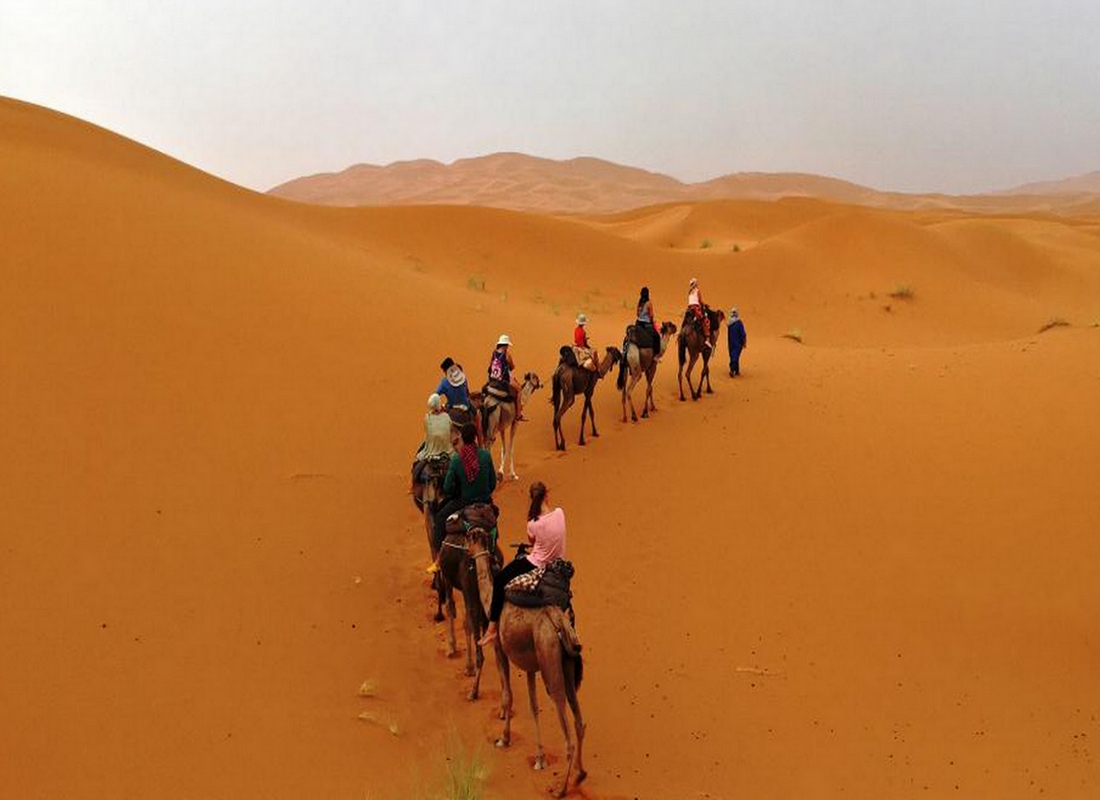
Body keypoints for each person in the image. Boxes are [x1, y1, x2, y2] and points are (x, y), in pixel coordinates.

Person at [478, 481, 565, 646]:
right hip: (557, 564)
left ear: (532, 498)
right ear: (547, 495)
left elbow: (532, 540)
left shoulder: (533, 524)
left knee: (499, 580)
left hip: (537, 563)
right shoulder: (560, 513)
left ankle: (491, 630)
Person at [428, 423, 497, 572]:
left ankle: (439, 560)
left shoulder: (457, 460)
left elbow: (447, 487)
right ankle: (494, 555)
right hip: (485, 502)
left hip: (464, 503)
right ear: (474, 438)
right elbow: (493, 483)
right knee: (494, 523)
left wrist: (456, 491)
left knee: (440, 519)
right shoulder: (486, 455)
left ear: (462, 439)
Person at [411, 393, 455, 492]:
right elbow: (450, 430)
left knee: (416, 464)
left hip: (431, 451)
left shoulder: (427, 418)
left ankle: (413, 485)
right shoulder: (447, 417)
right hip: (448, 452)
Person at [488, 334, 526, 421]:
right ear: (505, 345)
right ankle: (518, 414)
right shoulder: (507, 354)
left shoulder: (494, 353)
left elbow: (490, 366)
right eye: (507, 345)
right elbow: (512, 367)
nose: (508, 346)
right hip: (503, 379)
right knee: (519, 389)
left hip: (493, 378)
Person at [634, 286, 660, 357]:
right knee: (657, 336)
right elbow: (651, 315)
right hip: (646, 324)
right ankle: (656, 356)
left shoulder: (639, 303)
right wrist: (652, 321)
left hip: (638, 323)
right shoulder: (649, 303)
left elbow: (637, 314)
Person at [687, 278, 711, 349]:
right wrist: (705, 305)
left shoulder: (689, 291)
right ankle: (707, 339)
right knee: (705, 321)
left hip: (689, 309)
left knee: (686, 321)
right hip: (696, 309)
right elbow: (700, 301)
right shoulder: (697, 291)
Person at [727, 308, 747, 376]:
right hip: (737, 343)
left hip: (731, 343)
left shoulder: (729, 323)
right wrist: (744, 342)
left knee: (733, 356)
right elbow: (743, 334)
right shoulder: (739, 323)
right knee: (735, 356)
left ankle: (735, 370)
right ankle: (734, 370)